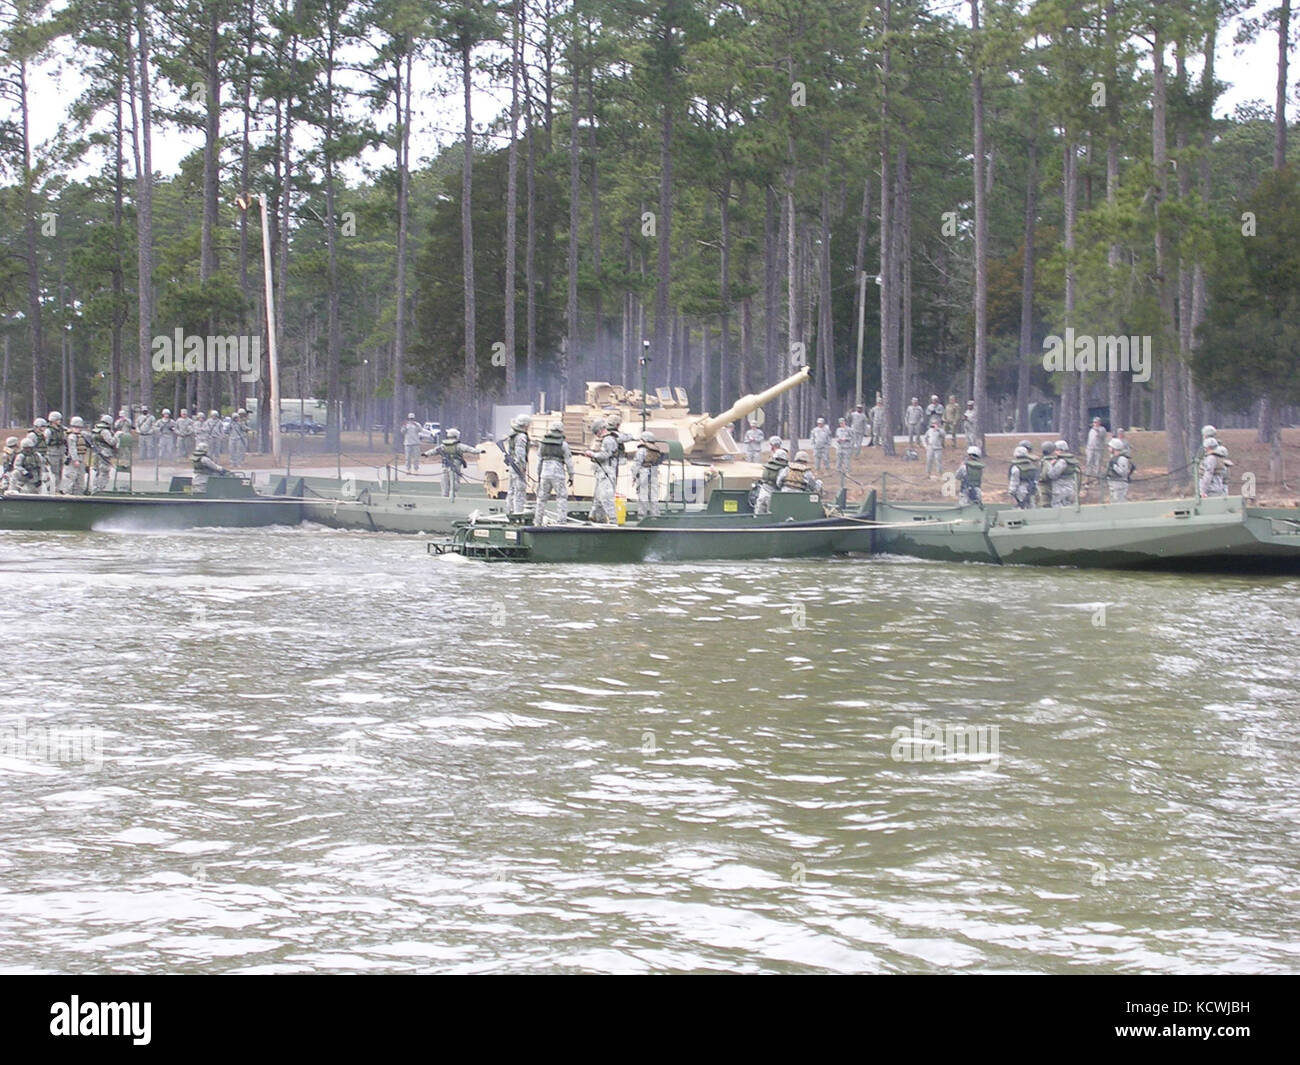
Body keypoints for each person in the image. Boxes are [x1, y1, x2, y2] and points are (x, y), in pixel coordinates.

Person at [533, 420, 574, 525]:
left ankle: (537, 520)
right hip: (558, 473)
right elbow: (569, 461)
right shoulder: (563, 444)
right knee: (561, 497)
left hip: (544, 473)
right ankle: (561, 521)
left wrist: (538, 474)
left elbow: (539, 460)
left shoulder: (543, 444)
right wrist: (571, 475)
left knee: (541, 498)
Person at [586, 417, 624, 523]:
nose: (596, 435)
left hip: (607, 473)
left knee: (606, 498)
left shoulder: (608, 440)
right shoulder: (606, 439)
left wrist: (592, 454)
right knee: (598, 498)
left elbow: (605, 455)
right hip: (602, 472)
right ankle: (595, 517)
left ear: (600, 430)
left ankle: (612, 521)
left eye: (596, 432)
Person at [434, 428, 481, 501]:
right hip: (451, 468)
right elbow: (470, 449)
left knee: (448, 485)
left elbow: (469, 449)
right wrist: (479, 451)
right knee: (450, 484)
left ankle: (448, 497)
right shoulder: (453, 446)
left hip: (450, 468)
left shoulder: (449, 446)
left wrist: (426, 454)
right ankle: (448, 497)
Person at [631, 430, 665, 518]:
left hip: (643, 472)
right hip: (653, 472)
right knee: (654, 495)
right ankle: (655, 514)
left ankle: (642, 515)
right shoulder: (656, 450)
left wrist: (634, 476)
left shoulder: (641, 450)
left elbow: (637, 463)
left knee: (643, 494)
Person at [504, 413, 532, 515]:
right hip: (517, 466)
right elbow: (520, 453)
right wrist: (522, 467)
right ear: (525, 424)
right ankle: (518, 513)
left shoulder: (513, 434)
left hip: (512, 465)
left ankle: (509, 510)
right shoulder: (521, 436)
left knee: (511, 489)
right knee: (520, 491)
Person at [754, 447, 788, 515]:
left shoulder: (767, 466)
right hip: (773, 493)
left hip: (763, 490)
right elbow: (779, 483)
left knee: (759, 512)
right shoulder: (782, 469)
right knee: (771, 513)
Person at [1045, 438, 1078, 507]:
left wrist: (1050, 465)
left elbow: (1052, 475)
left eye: (1056, 450)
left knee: (1057, 507)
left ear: (1060, 450)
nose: (1055, 452)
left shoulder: (1061, 462)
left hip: (1059, 489)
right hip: (1071, 487)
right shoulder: (1071, 460)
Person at [89, 415, 119, 493]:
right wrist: (117, 436)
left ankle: (95, 488)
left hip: (96, 454)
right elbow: (111, 442)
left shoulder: (95, 430)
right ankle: (99, 490)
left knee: (98, 472)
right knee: (104, 473)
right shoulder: (105, 431)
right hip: (104, 454)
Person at [63, 417, 91, 494]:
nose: (77, 429)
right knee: (71, 477)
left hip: (81, 459)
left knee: (80, 478)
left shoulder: (82, 435)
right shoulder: (71, 437)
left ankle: (78, 493)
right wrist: (75, 460)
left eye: (79, 427)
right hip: (73, 460)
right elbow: (72, 449)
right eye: (75, 427)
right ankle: (67, 493)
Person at [1104, 437, 1133, 502]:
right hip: (1113, 484)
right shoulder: (1113, 457)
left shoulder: (1122, 459)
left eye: (1110, 447)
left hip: (1119, 485)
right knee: (1113, 501)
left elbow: (1123, 473)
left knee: (1119, 502)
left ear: (1114, 448)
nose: (1109, 448)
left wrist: (1114, 466)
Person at [45, 412, 68, 494]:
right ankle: (54, 489)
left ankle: (59, 488)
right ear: (53, 420)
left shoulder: (62, 429)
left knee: (60, 471)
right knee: (55, 472)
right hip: (52, 453)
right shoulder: (48, 431)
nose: (60, 421)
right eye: (58, 419)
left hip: (61, 453)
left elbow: (65, 439)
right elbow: (46, 443)